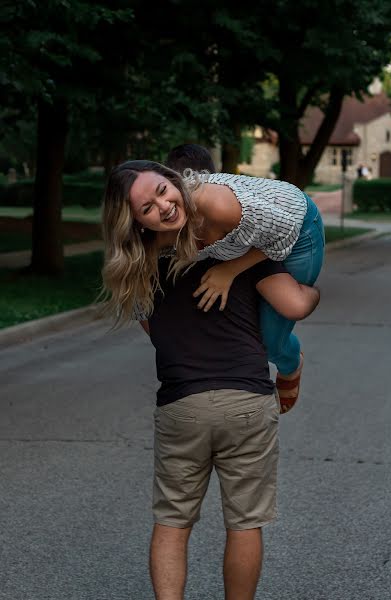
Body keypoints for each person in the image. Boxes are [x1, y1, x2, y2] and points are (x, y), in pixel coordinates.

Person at [140, 251, 320, 599]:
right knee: (245, 522)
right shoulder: (247, 251)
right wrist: (313, 291)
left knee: (172, 520)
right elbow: (292, 304)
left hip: (182, 402)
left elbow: (153, 328)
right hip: (246, 400)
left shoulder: (148, 259)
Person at [101, 160, 325, 412]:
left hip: (295, 229)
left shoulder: (217, 206)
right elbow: (139, 297)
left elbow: (286, 232)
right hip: (246, 236)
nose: (164, 207)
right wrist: (164, 339)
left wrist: (229, 271)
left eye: (162, 190)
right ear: (136, 221)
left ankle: (293, 362)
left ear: (173, 180)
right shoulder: (149, 242)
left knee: (276, 331)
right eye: (147, 207)